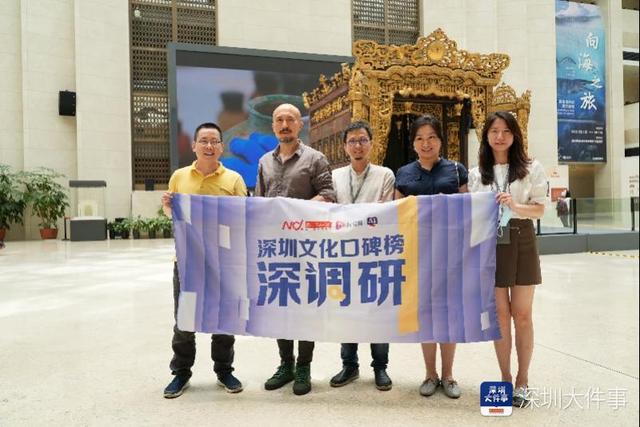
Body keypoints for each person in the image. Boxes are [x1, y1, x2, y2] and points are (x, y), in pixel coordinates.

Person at [161, 122, 248, 398]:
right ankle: (181, 373)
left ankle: (224, 370)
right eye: (204, 141)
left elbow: (242, 217)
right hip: (187, 261)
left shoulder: (234, 179)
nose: (209, 146)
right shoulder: (179, 177)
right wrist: (168, 207)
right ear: (194, 145)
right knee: (184, 320)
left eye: (214, 141)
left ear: (221, 147)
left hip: (223, 262)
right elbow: (173, 216)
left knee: (224, 319)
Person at [255, 103, 336, 395]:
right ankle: (285, 364)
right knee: (280, 307)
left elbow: (329, 195)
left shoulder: (315, 159)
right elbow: (259, 201)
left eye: (290, 119)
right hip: (276, 248)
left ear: (300, 124)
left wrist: (295, 211)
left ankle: (304, 367)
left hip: (307, 248)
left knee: (305, 308)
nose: (284, 124)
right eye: (279, 120)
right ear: (273, 126)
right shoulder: (264, 161)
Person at [468, 111, 547, 408]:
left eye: (506, 131)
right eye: (494, 131)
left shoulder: (530, 168)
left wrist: (514, 206)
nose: (499, 137)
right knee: (500, 316)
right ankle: (505, 378)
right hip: (490, 243)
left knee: (522, 314)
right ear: (486, 136)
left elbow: (540, 209)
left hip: (522, 238)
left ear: (515, 135)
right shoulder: (477, 173)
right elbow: (472, 214)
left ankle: (523, 379)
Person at [394, 114, 468, 400]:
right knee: (425, 314)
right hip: (417, 254)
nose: (426, 144)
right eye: (420, 138)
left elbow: (467, 210)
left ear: (441, 140)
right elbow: (397, 214)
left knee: (448, 314)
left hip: (450, 254)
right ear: (413, 143)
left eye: (432, 137)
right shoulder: (403, 174)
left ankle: (448, 375)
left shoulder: (457, 171)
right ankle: (430, 374)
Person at [329, 120, 395, 391]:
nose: (358, 146)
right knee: (346, 311)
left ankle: (380, 367)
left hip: (374, 253)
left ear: (371, 143)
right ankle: (349, 365)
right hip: (343, 255)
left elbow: (386, 213)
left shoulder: (385, 175)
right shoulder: (335, 176)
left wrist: (353, 216)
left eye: (362, 140)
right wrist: (368, 212)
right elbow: (331, 212)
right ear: (345, 147)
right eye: (352, 141)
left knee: (377, 311)